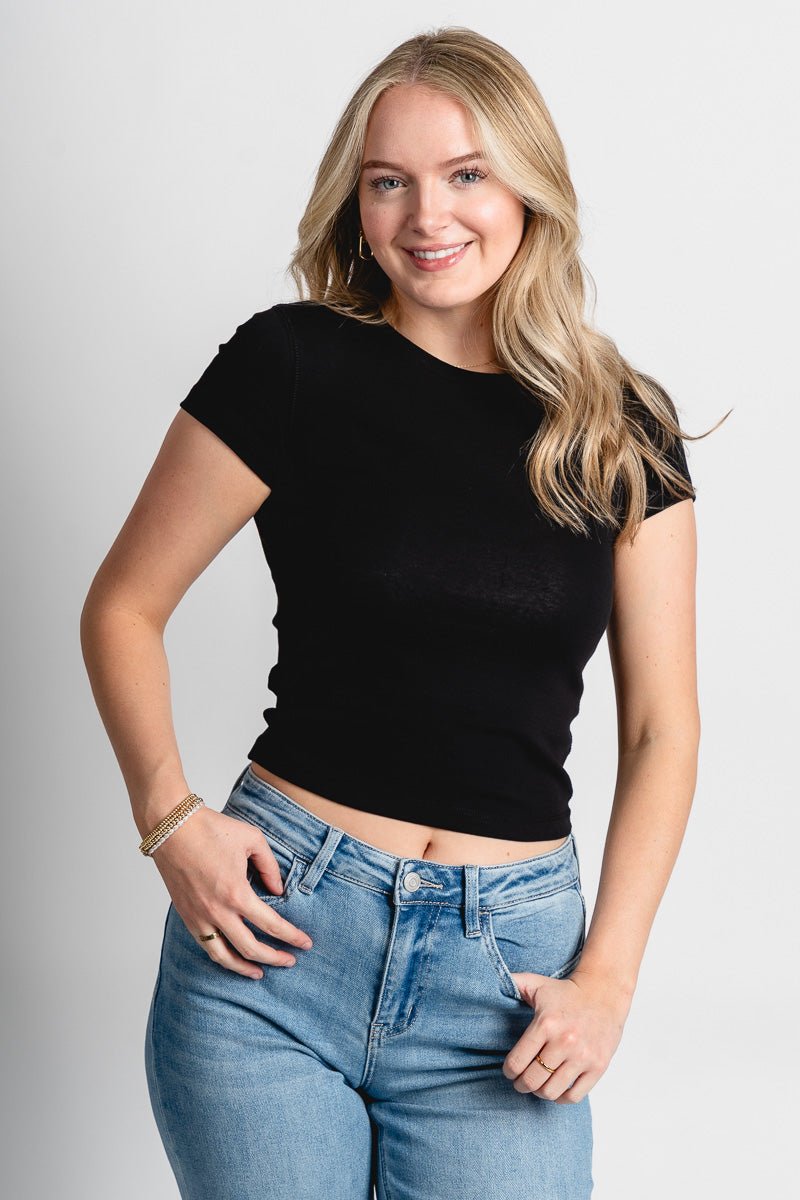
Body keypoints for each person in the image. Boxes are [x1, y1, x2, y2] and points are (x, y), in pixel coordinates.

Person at [80, 25, 716, 1200]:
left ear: (526, 185)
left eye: (465, 173)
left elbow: (659, 730)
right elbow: (122, 605)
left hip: (505, 983)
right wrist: (170, 822)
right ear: (356, 203)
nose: (427, 216)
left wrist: (610, 978)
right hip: (275, 948)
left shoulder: (619, 427)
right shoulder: (289, 366)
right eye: (389, 182)